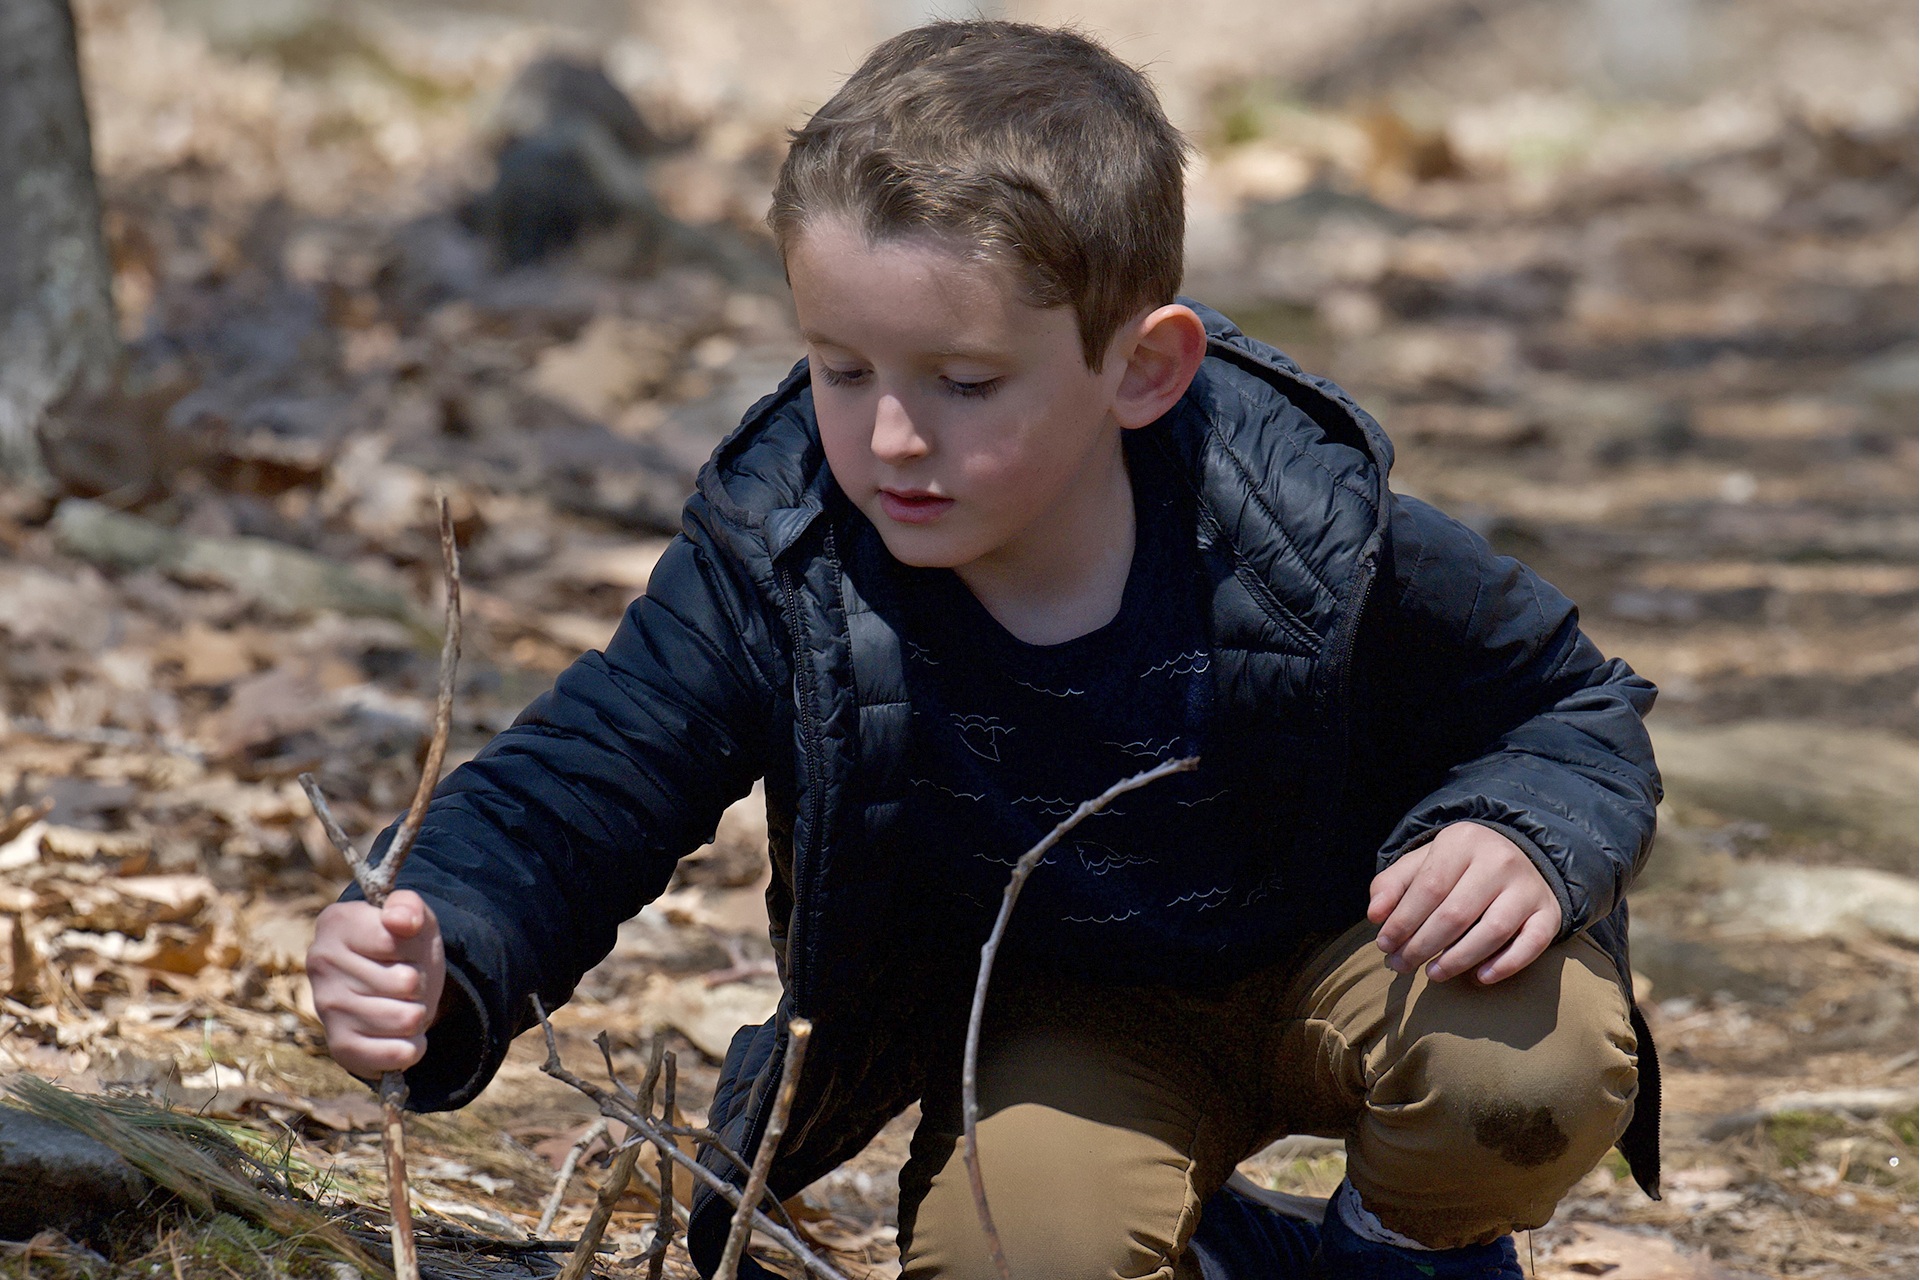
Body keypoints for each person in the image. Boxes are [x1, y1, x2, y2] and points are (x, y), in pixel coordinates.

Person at [306, 21, 1662, 1280]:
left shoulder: (1306, 523)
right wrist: (445, 941)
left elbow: (1569, 705)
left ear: (1143, 369)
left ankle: (1390, 1256)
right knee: (1019, 1257)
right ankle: (1226, 1247)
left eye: (963, 385)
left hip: (1356, 945)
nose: (892, 438)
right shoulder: (786, 562)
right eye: (841, 370)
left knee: (1525, 1076)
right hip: (1063, 1025)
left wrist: (1519, 829)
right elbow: (588, 778)